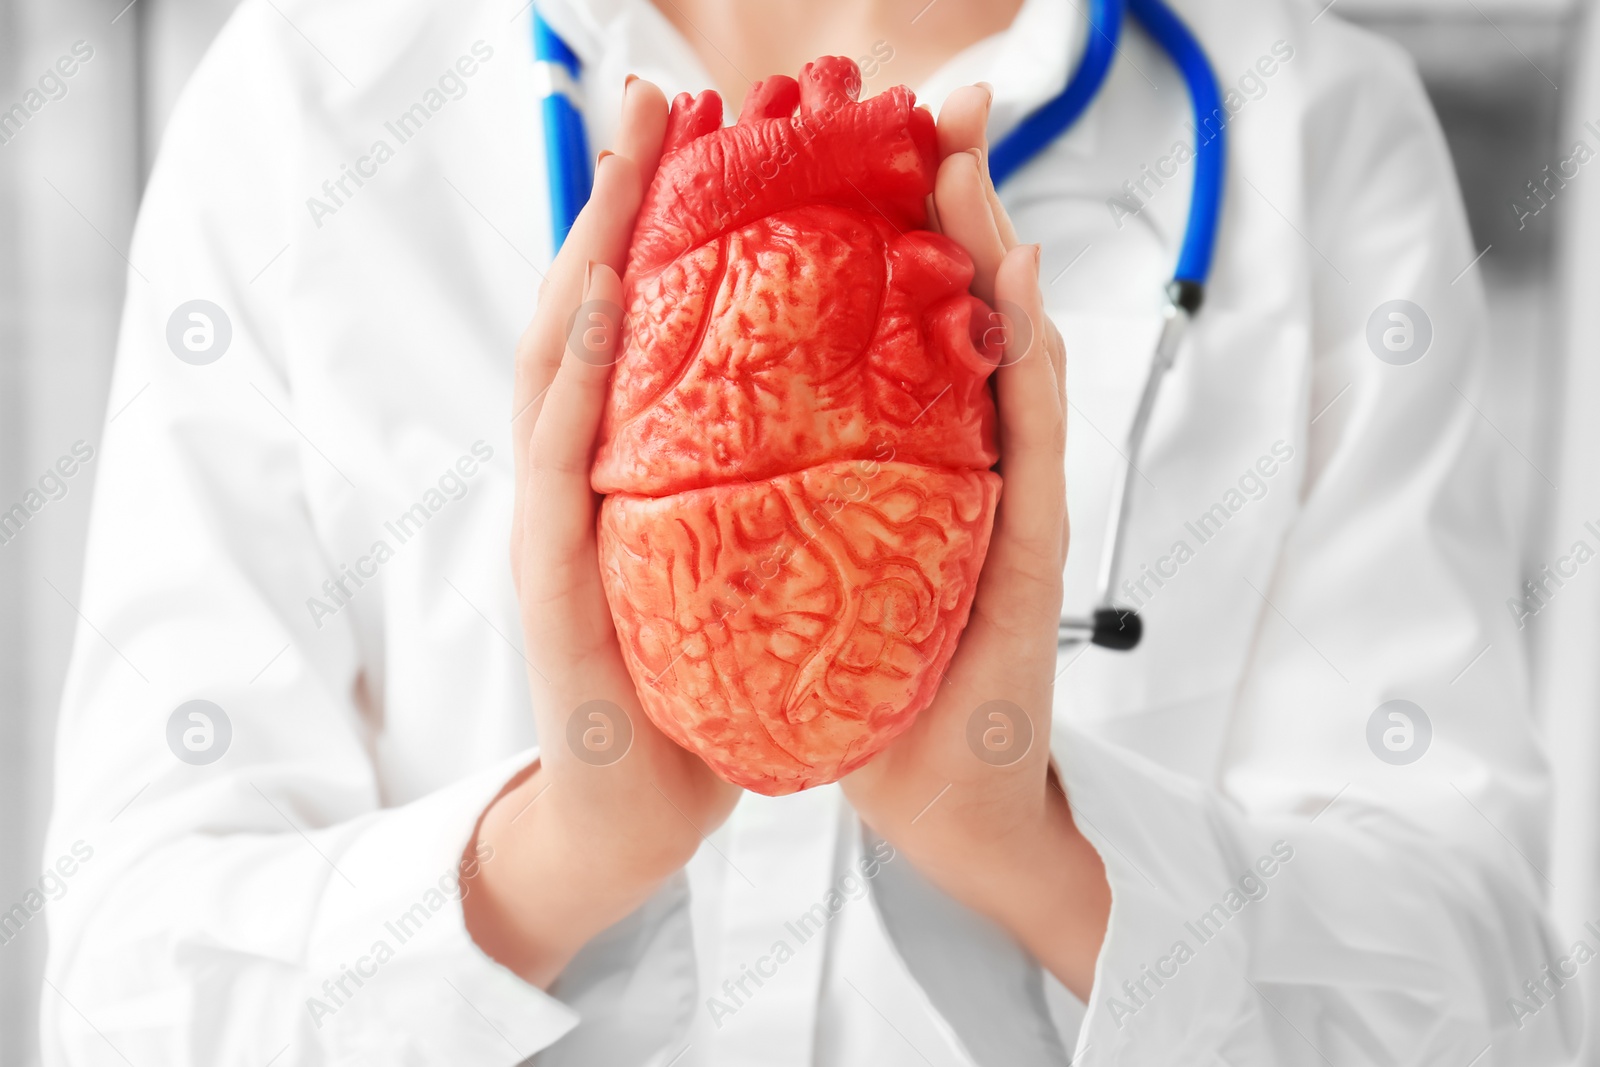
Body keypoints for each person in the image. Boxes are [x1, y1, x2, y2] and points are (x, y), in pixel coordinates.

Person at [40, 0, 1580, 1063]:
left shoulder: (1317, 137)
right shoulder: (309, 108)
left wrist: (1032, 847)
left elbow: (1490, 1005)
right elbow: (116, 999)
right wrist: (552, 862)